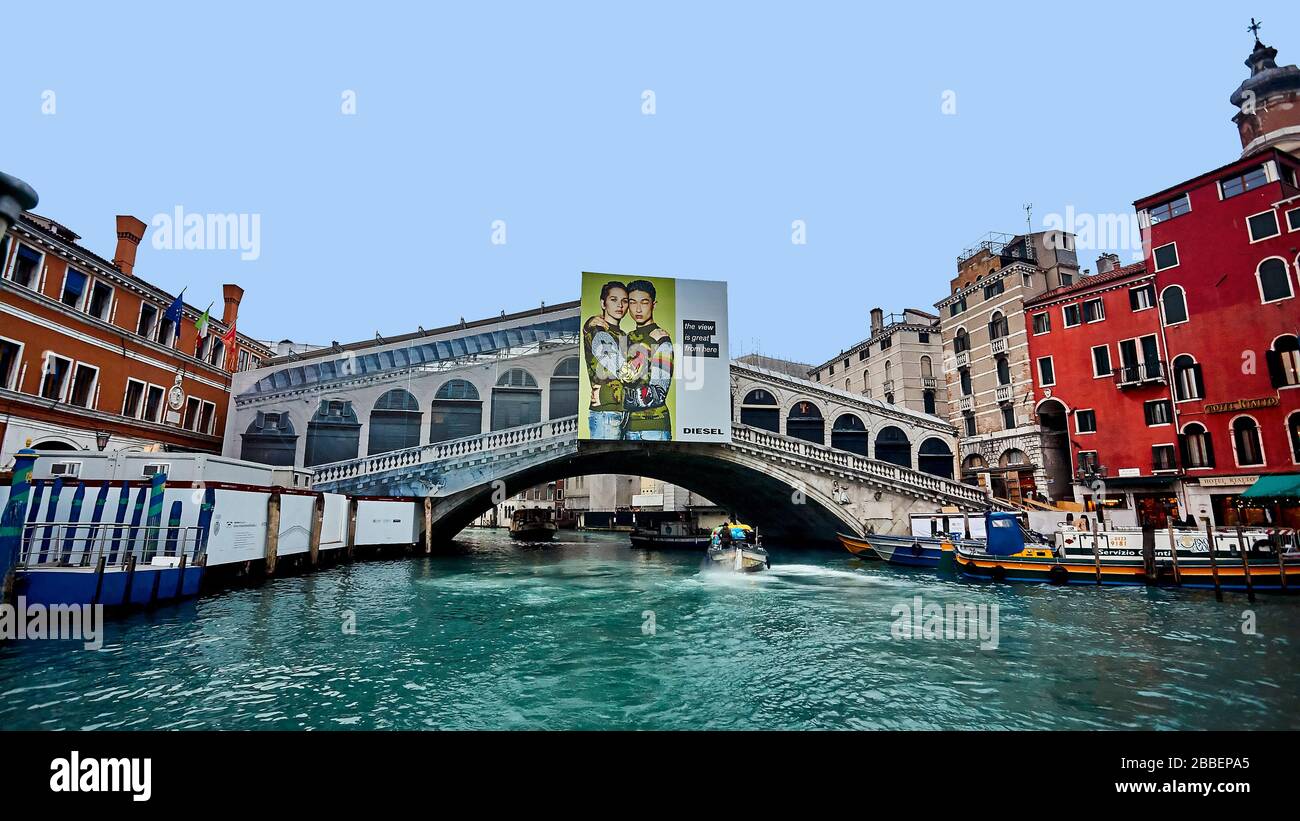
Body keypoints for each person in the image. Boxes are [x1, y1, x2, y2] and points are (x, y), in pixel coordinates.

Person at [620, 279, 673, 441]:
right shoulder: (626, 339)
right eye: (632, 302)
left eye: (644, 302)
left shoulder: (661, 339)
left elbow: (659, 392)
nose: (637, 309)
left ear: (653, 304)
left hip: (654, 427)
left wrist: (617, 399)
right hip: (626, 427)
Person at [583, 281, 629, 439]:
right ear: (603, 303)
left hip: (624, 411)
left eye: (624, 301)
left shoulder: (623, 335)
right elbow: (622, 369)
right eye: (614, 300)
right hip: (605, 412)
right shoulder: (596, 329)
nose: (620, 305)